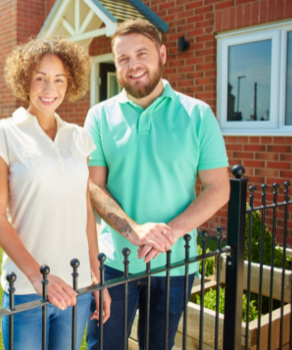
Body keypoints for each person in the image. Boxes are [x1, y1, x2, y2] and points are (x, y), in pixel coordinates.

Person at [84, 19, 230, 350]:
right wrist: (135, 230)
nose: (133, 65)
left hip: (175, 262)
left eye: (142, 54)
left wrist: (171, 232)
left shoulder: (198, 114)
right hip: (114, 263)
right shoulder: (99, 117)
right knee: (104, 347)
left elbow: (219, 187)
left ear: (162, 54)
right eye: (123, 59)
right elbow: (94, 187)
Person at [0, 35, 111, 350]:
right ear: (26, 81)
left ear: (70, 83)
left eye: (58, 79)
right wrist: (41, 276)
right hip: (27, 288)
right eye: (40, 78)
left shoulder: (79, 137)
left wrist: (97, 277)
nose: (49, 88)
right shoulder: (2, 134)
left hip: (76, 287)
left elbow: (85, 213)